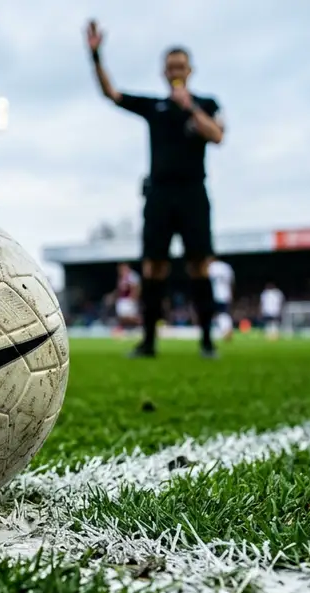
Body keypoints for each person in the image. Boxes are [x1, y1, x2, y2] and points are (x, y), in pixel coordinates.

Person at [86, 19, 225, 359]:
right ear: (164, 71)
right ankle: (148, 341)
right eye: (171, 66)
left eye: (181, 65)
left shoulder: (206, 103)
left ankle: (207, 340)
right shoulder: (154, 108)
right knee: (153, 267)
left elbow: (218, 135)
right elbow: (112, 94)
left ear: (190, 69)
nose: (176, 70)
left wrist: (188, 105)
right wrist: (96, 56)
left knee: (199, 265)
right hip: (159, 194)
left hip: (193, 192)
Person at [206, 258, 234, 341]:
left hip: (214, 294)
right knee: (223, 312)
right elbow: (231, 282)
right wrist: (231, 293)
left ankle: (225, 330)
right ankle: (226, 329)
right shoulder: (226, 267)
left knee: (218, 314)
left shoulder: (210, 267)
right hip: (225, 294)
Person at [114, 262, 141, 328]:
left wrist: (133, 298)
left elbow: (136, 288)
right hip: (122, 299)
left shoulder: (132, 276)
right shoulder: (122, 277)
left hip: (129, 300)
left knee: (130, 316)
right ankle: (125, 328)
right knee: (122, 317)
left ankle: (142, 323)